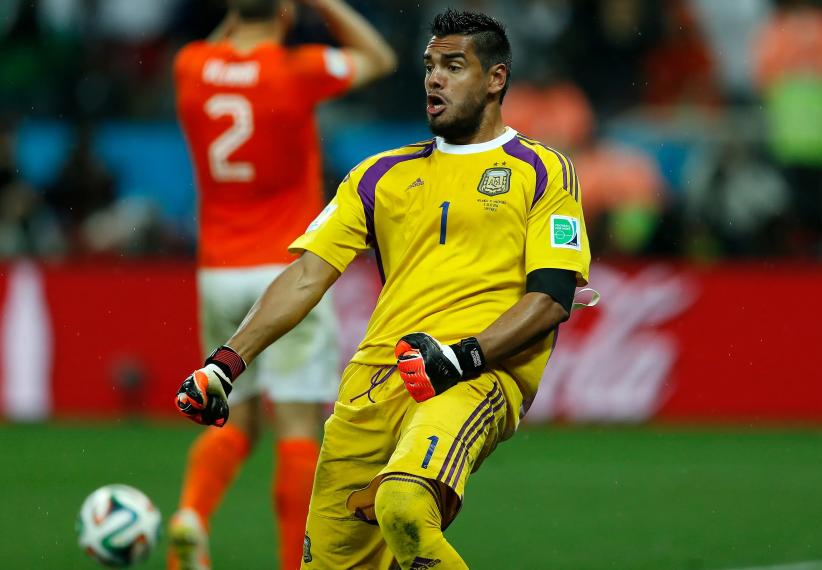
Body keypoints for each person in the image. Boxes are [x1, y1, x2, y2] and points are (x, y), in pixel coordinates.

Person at [175, 8, 592, 569]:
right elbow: (306, 274)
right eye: (429, 66)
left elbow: (550, 300)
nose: (434, 78)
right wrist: (226, 362)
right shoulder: (380, 175)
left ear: (496, 79)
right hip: (371, 386)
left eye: (453, 65)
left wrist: (459, 358)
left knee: (402, 504)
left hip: (475, 375)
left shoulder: (540, 170)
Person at [170, 1, 396, 568]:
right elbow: (380, 57)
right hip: (284, 276)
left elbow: (229, 38)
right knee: (297, 427)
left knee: (237, 418)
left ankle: (192, 515)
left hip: (217, 271)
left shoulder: (191, 65)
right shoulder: (297, 69)